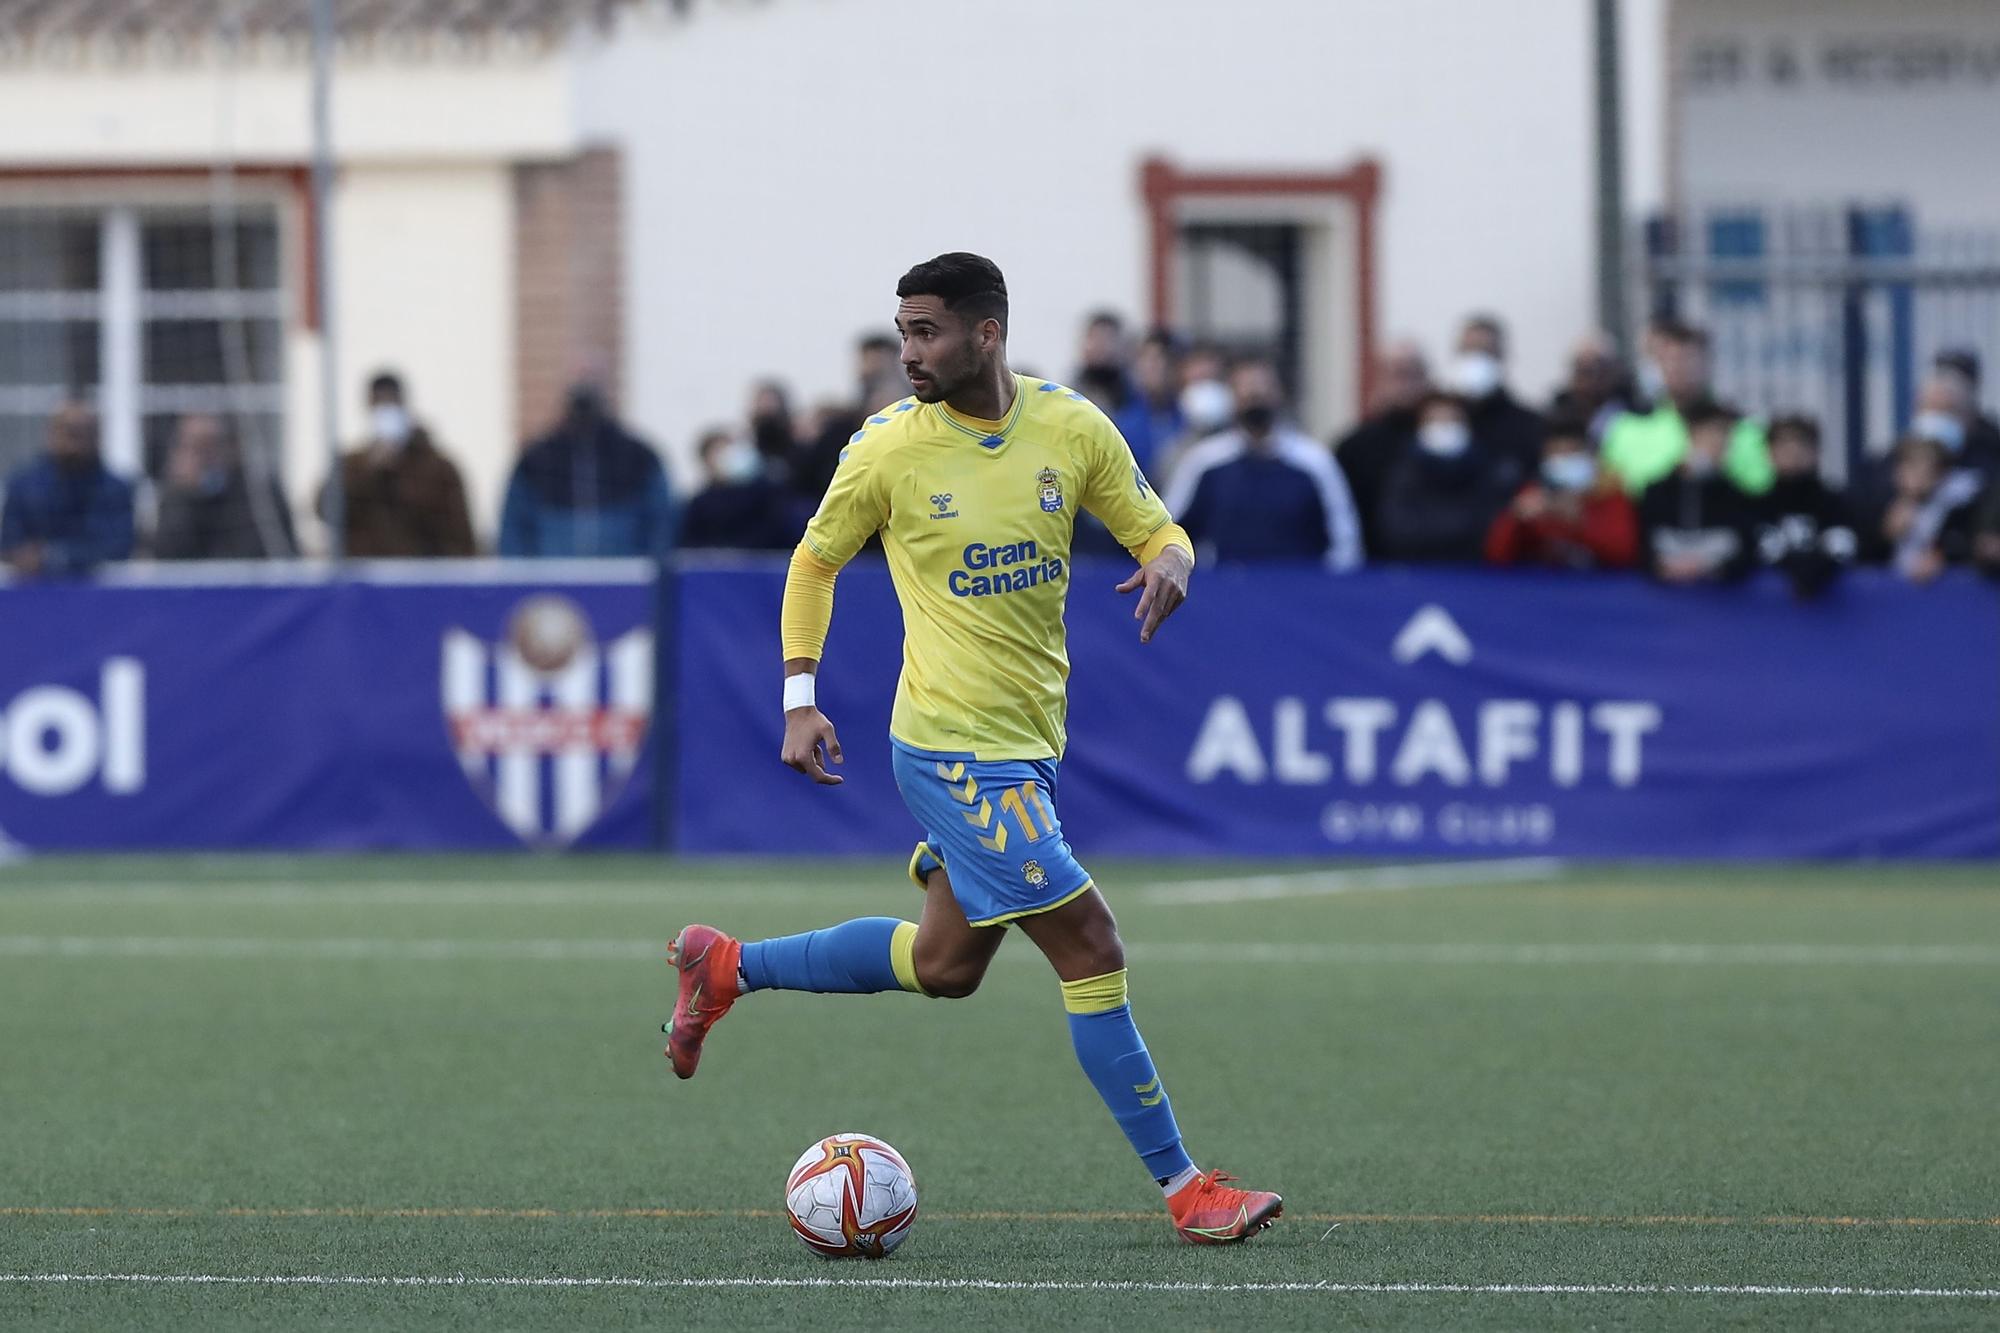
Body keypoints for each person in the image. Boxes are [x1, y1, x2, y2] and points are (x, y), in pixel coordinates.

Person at [661, 252, 1282, 1246]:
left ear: (984, 334)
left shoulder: (1068, 427)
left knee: (947, 964)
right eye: (902, 332)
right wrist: (797, 697)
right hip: (952, 749)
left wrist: (1170, 565)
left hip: (1024, 746)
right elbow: (814, 561)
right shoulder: (886, 450)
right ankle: (1186, 1191)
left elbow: (1157, 527)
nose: (908, 352)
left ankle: (726, 967)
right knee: (1092, 948)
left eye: (926, 333)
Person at [1162, 359, 1363, 568]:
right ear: (1233, 398)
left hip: (1299, 589)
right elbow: (1169, 530)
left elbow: (1345, 541)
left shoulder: (1314, 462)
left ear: (1279, 394)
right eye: (1247, 392)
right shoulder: (1204, 462)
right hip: (1225, 589)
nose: (1255, 398)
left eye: (1262, 390)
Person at [498, 383, 675, 557]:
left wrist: (649, 570)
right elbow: (513, 530)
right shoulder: (536, 460)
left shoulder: (639, 457)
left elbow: (662, 525)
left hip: (625, 577)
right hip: (551, 579)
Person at [1602, 321, 1772, 496]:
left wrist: (1722, 468)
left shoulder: (1744, 429)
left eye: (1690, 359)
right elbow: (1616, 491)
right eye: (1672, 360)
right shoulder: (1629, 427)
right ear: (1658, 365)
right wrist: (1678, 473)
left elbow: (1761, 487)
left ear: (1708, 364)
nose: (1681, 368)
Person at [321, 371, 476, 557]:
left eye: (391, 404)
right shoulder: (352, 464)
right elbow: (324, 508)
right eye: (378, 405)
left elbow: (460, 535)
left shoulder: (438, 467)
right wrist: (367, 470)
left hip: (420, 578)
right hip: (364, 577)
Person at [1375, 391, 1524, 563]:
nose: (1444, 428)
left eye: (1451, 421)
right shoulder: (1401, 473)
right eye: (1435, 422)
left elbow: (1493, 528)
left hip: (1478, 574)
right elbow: (1396, 531)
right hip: (1416, 571)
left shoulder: (1492, 472)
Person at [1483, 416, 1638, 569]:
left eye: (1571, 452)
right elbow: (1496, 555)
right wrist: (1514, 519)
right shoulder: (1535, 494)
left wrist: (1578, 524)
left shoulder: (1609, 493)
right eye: (1556, 453)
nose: (1564, 460)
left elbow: (1623, 553)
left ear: (1590, 455)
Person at [0, 401, 134, 576]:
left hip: (97, 594)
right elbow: (9, 542)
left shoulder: (116, 489)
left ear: (96, 437)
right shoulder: (23, 486)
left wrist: (53, 557)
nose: (73, 443)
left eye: (81, 433)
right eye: (68, 431)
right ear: (50, 434)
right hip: (32, 591)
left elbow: (118, 547)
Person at [1636, 401, 1761, 585]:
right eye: (1710, 434)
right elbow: (1641, 546)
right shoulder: (1656, 492)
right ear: (1690, 436)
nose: (1718, 444)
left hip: (1716, 603)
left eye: (1725, 437)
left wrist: (1712, 567)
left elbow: (1746, 553)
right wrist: (1661, 566)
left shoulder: (1738, 497)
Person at [151, 413, 297, 559]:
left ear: (233, 447)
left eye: (211, 445)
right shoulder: (175, 495)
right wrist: (186, 494)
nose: (205, 458)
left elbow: (260, 553)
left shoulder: (260, 495)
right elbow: (167, 556)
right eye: (195, 447)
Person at [1334, 340, 1429, 556]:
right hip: (1374, 568)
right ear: (1379, 379)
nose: (1405, 384)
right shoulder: (1354, 448)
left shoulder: (1447, 441)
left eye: (1412, 373)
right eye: (1397, 374)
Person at [1755, 414, 1856, 599]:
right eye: (1783, 444)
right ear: (1769, 452)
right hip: (1764, 619)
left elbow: (1844, 547)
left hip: (1831, 618)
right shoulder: (1755, 505)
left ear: (1816, 451)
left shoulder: (1835, 502)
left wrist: (1810, 570)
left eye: (1802, 444)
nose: (1793, 451)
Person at [1873, 434, 1983, 583]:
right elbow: (1867, 555)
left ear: (1940, 473)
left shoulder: (1965, 501)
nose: (1914, 477)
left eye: (1922, 469)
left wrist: (1941, 555)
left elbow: (1972, 542)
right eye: (1908, 468)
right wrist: (1886, 535)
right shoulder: (1883, 501)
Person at [1445, 314, 1545, 472]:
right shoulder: (1438, 424)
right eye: (1469, 352)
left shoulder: (1529, 426)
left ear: (1501, 358)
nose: (1476, 361)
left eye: (1485, 352)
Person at [679, 427, 800, 551]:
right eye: (719, 452)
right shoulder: (700, 503)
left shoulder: (764, 494)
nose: (728, 457)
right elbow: (690, 542)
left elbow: (773, 529)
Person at [1111, 329, 1183, 474]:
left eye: (1162, 359)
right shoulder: (1123, 423)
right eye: (1147, 359)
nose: (1154, 367)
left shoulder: (1189, 418)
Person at [1547, 330, 1638, 443]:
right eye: (1584, 372)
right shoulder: (1556, 418)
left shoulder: (1632, 414)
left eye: (1598, 372)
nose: (1591, 382)